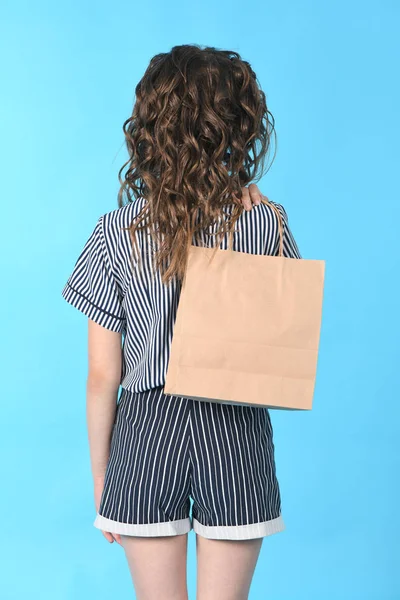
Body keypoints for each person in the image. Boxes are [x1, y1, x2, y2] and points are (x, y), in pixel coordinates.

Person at [61, 44, 301, 600]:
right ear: (238, 126)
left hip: (147, 433)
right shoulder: (264, 220)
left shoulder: (117, 230)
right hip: (235, 427)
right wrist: (260, 225)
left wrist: (104, 476)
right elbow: (281, 335)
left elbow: (103, 376)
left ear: (150, 126)